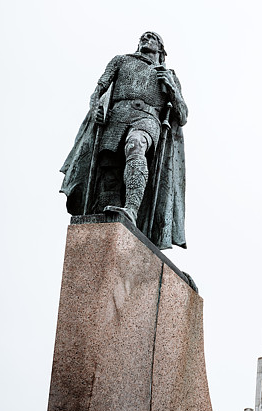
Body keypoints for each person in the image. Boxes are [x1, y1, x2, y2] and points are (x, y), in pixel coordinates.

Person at [60, 32, 187, 250]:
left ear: (161, 49)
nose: (145, 38)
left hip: (147, 118)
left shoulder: (169, 74)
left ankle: (132, 209)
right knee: (110, 176)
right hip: (116, 117)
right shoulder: (121, 60)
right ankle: (109, 221)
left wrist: (172, 90)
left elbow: (183, 116)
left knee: (136, 145)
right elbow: (98, 90)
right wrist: (96, 108)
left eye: (151, 37)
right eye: (143, 37)